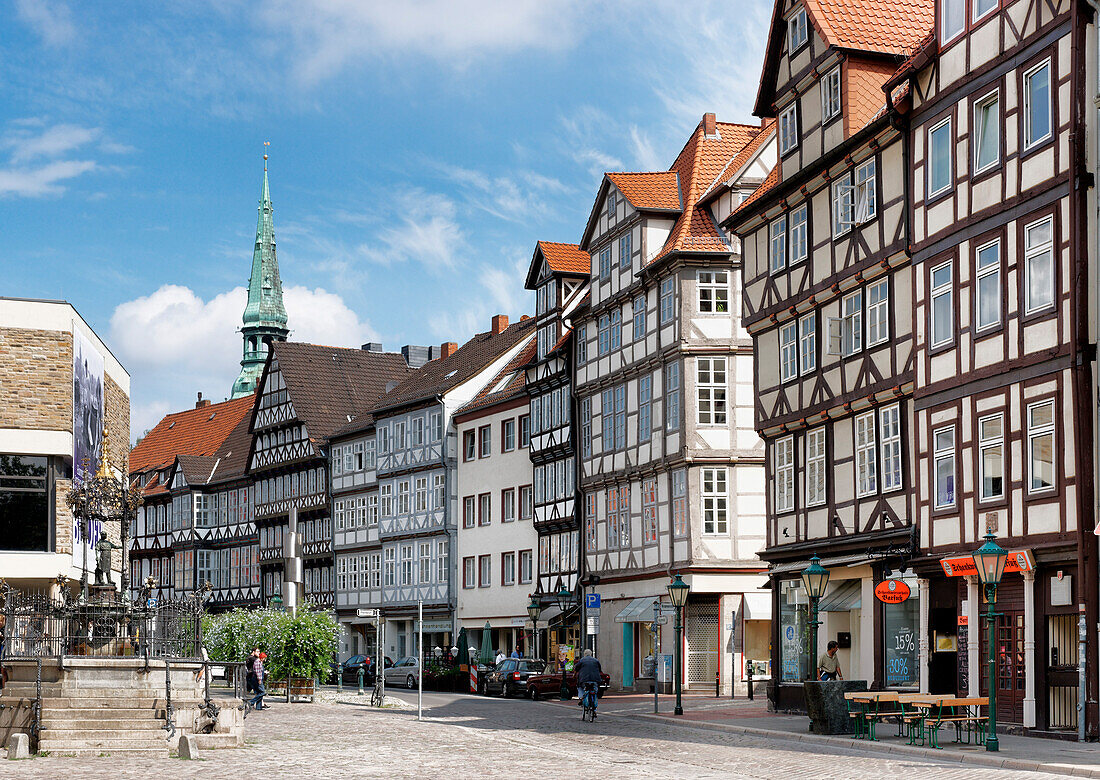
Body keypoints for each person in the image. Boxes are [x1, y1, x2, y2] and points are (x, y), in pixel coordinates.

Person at [574, 648, 603, 717]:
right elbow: (599, 669)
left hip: (584, 680)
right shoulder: (596, 660)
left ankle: (581, 698)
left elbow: (576, 669)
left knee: (580, 687)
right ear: (591, 654)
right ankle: (594, 710)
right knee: (594, 692)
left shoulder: (582, 660)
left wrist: (574, 675)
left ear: (584, 654)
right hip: (595, 679)